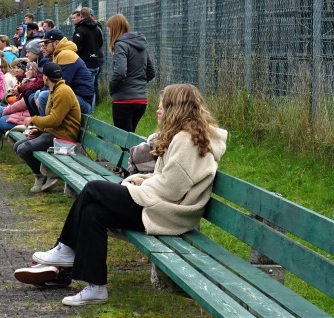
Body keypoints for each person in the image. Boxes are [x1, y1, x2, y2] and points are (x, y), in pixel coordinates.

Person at [15, 84, 228, 306]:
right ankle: (95, 287)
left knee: (93, 188)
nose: (158, 111)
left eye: (162, 107)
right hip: (161, 207)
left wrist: (135, 189)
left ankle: (66, 249)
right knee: (93, 211)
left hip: (169, 214)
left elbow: (171, 190)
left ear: (176, 109)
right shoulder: (185, 136)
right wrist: (139, 180)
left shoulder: (186, 140)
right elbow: (166, 179)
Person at [13, 63, 81, 192]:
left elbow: (55, 120)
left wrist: (33, 120)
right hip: (53, 133)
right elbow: (53, 120)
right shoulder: (54, 90)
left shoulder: (63, 92)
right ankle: (43, 175)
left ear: (46, 77)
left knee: (23, 149)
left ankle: (43, 176)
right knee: (17, 146)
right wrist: (38, 130)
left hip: (63, 137)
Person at [106, 14, 156, 133]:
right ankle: (137, 152)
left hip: (123, 100)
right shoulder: (141, 44)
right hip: (141, 100)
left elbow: (120, 72)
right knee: (130, 138)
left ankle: (139, 152)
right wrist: (138, 84)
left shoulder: (120, 45)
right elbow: (151, 72)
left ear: (114, 29)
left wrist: (112, 88)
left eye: (108, 30)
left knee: (124, 141)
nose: (108, 34)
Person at [37, 29, 95, 114]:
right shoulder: (58, 54)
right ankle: (45, 125)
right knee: (37, 95)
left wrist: (42, 92)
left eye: (46, 44)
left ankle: (47, 126)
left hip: (83, 101)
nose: (42, 48)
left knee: (43, 96)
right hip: (73, 96)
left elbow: (60, 82)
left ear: (56, 43)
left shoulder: (65, 55)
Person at [73, 7, 103, 106]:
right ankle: (92, 108)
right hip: (95, 63)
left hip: (84, 63)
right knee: (92, 87)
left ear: (81, 16)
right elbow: (100, 44)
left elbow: (77, 48)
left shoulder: (80, 30)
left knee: (84, 89)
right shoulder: (98, 29)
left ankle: (87, 110)